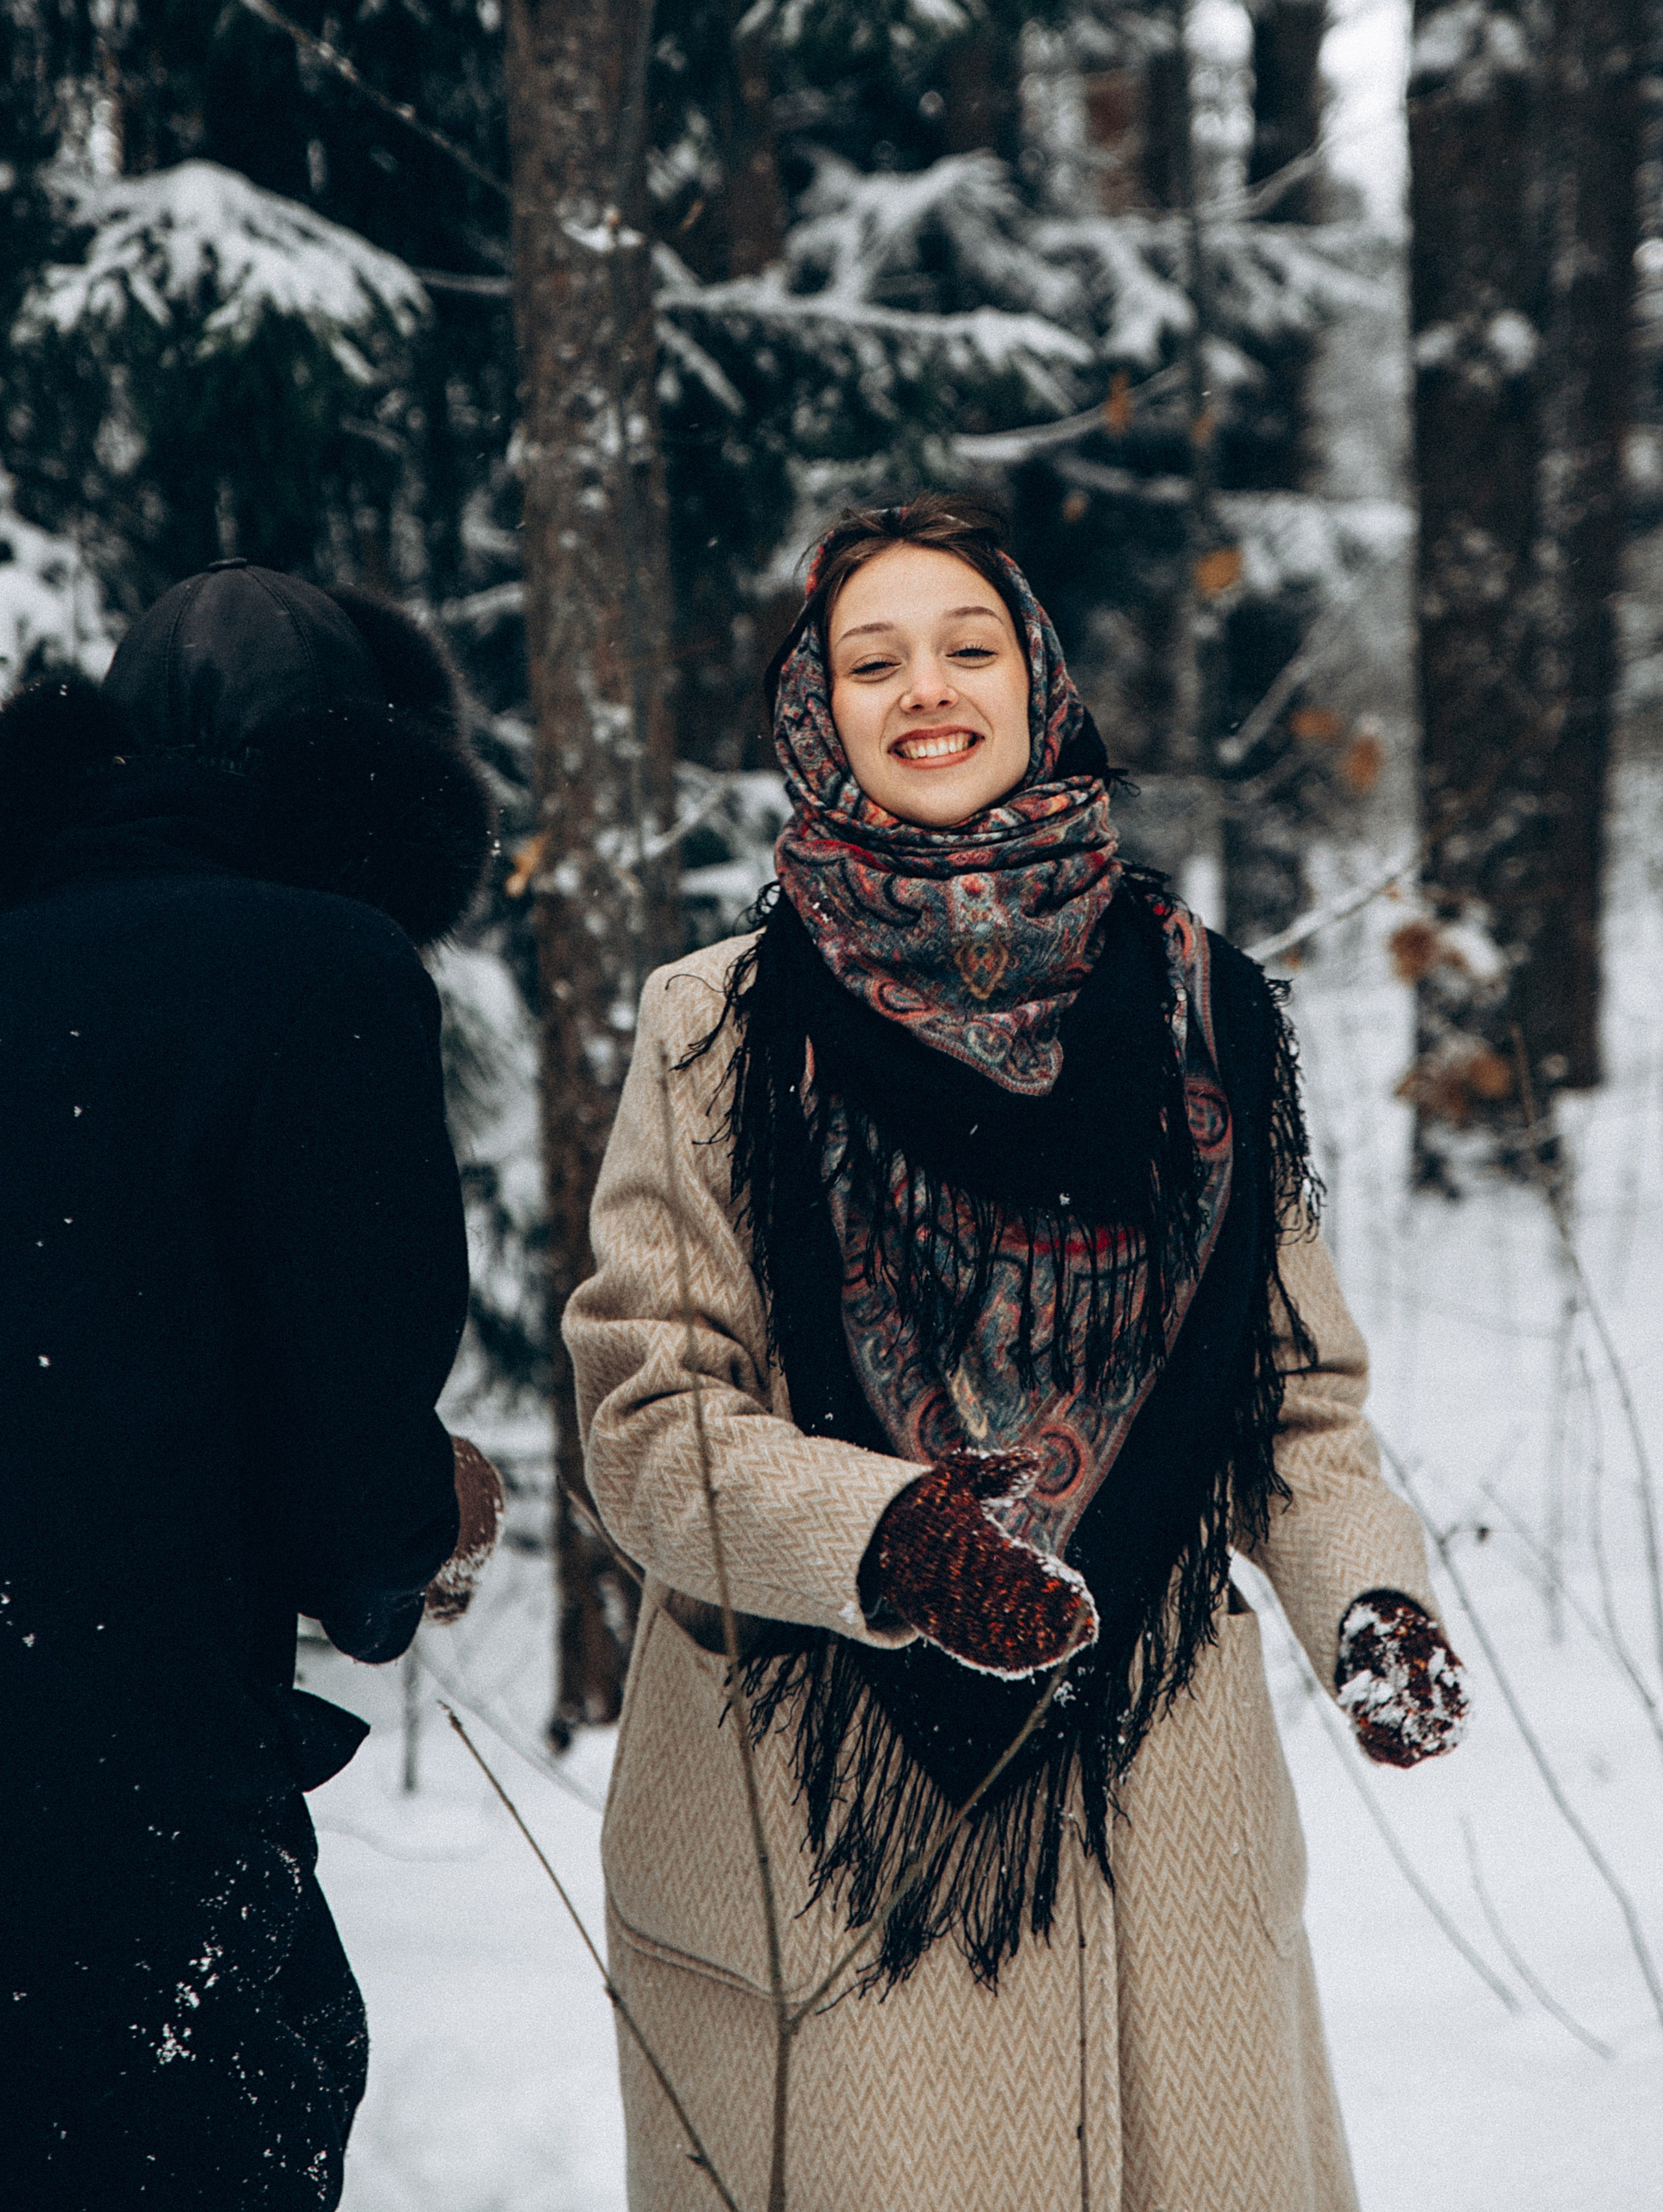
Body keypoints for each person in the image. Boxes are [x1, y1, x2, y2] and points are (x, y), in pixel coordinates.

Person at [566, 495, 1470, 2212]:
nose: (927, 687)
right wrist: (889, 1541)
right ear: (812, 713)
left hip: (1157, 1805)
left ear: (1040, 680)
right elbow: (649, 1415)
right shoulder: (721, 1029)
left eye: (969, 646)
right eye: (872, 657)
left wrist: (1373, 1597)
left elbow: (1294, 1401)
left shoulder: (1202, 1008)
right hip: (833, 1823)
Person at [0, 559, 505, 2209]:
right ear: (367, 773)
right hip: (129, 1810)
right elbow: (352, 1484)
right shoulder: (323, 976)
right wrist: (427, 1517)